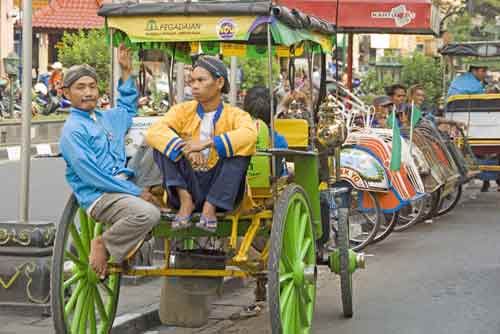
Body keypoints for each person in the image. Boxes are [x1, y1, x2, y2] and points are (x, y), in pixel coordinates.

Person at [59, 45, 161, 279]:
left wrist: (126, 71)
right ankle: (104, 243)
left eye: (92, 87)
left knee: (162, 137)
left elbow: (126, 107)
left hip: (126, 177)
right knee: (149, 214)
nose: (88, 92)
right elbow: (92, 176)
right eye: (80, 87)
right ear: (66, 93)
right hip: (101, 195)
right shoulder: (72, 131)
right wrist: (135, 191)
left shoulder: (106, 117)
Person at [146, 56, 257, 232]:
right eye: (192, 81)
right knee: (162, 145)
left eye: (201, 80)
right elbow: (154, 131)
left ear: (219, 82)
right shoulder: (182, 110)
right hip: (188, 184)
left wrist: (207, 143)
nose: (194, 86)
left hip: (223, 190)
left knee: (241, 150)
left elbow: (250, 135)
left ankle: (210, 207)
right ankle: (185, 201)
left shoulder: (236, 114)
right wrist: (187, 149)